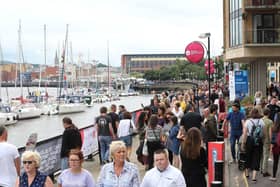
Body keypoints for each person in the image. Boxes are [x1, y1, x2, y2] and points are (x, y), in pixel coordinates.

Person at [242, 108, 265, 182]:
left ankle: (247, 173)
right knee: (257, 158)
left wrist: (243, 143)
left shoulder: (248, 121)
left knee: (248, 156)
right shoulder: (261, 121)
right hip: (258, 141)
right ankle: (254, 177)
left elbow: (245, 133)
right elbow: (263, 133)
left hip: (249, 140)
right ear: (258, 113)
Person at [260, 108, 273, 177]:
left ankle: (261, 169)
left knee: (261, 154)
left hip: (259, 139)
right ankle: (264, 171)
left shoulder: (260, 120)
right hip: (266, 140)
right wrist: (271, 142)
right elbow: (270, 133)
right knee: (266, 155)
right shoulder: (270, 122)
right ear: (269, 113)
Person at [269, 111, 280, 181]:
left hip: (276, 147)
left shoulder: (274, 127)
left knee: (275, 161)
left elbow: (273, 140)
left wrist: (271, 148)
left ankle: (274, 176)